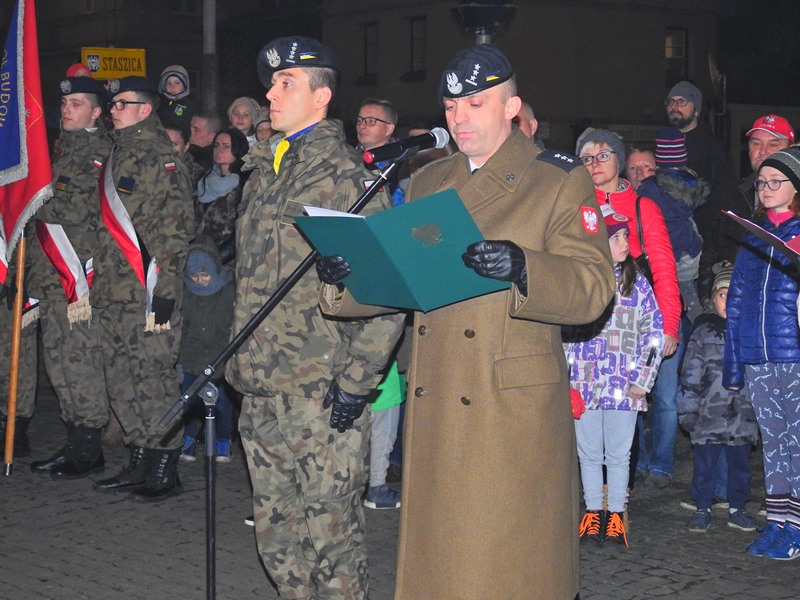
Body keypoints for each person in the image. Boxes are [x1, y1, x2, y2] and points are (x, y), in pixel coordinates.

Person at [320, 43, 616, 599]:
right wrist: (349, 274)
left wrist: (525, 267)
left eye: (476, 103)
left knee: (508, 565)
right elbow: (405, 278)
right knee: (444, 563)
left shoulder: (555, 179)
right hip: (440, 394)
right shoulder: (430, 180)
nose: (459, 117)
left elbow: (593, 286)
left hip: (507, 404)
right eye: (452, 106)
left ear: (512, 107)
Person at [227, 36, 404, 599]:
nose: (271, 94)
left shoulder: (348, 178)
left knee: (331, 537)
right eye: (272, 83)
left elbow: (384, 294)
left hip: (318, 388)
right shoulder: (265, 170)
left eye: (287, 84)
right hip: (261, 381)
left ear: (322, 96)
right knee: (277, 532)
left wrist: (356, 382)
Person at [91, 76, 194, 502]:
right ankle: (138, 458)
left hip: (147, 290)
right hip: (114, 289)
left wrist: (165, 290)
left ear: (145, 110)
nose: (113, 109)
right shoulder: (117, 152)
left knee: (153, 378)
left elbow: (175, 231)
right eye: (112, 103)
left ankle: (164, 465)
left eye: (122, 103)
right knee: (122, 377)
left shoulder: (159, 157)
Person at [576, 128, 682, 489]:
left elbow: (664, 268)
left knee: (647, 399)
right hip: (592, 327)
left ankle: (634, 483)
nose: (595, 163)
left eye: (603, 155)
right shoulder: (576, 206)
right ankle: (597, 493)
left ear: (619, 160)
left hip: (637, 319)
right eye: (587, 158)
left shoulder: (642, 206)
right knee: (594, 408)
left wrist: (669, 325)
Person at [26, 76, 113, 478]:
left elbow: (77, 211)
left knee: (80, 362)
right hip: (50, 277)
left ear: (96, 112)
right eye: (64, 103)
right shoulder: (60, 152)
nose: (66, 110)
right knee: (57, 361)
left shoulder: (101, 154)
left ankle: (88, 447)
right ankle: (74, 440)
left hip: (78, 279)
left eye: (76, 104)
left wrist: (30, 201)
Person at [564, 203, 664, 547]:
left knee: (619, 455)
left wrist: (643, 380)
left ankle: (617, 513)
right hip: (584, 384)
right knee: (588, 453)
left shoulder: (637, 285)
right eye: (616, 237)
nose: (625, 243)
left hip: (624, 385)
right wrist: (567, 380)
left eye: (625, 235)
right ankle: (593, 511)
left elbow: (654, 333)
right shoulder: (581, 281)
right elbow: (565, 334)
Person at [723, 147, 800, 560]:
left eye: (775, 182)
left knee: (798, 444)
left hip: (794, 357)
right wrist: (734, 364)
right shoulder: (753, 237)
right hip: (758, 357)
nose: (766, 188)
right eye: (761, 182)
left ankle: (797, 528)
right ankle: (778, 522)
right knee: (773, 444)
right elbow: (736, 303)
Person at [680, 261, 758, 533]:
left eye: (734, 294)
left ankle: (737, 508)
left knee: (740, 467)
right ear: (713, 299)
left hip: (742, 416)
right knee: (704, 466)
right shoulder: (703, 332)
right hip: (708, 415)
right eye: (722, 294)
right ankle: (703, 506)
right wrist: (687, 410)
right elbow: (690, 373)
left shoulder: (751, 334)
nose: (728, 301)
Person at [699, 114, 795, 302]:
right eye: (756, 143)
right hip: (734, 301)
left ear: (790, 150)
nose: (763, 151)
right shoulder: (731, 195)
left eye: (773, 144)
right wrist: (706, 298)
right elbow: (711, 249)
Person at [638, 127, 709, 323]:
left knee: (668, 306)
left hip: (667, 256)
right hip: (690, 252)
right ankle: (702, 327)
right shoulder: (692, 184)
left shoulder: (651, 189)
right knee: (689, 298)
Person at [178, 237, 236, 462]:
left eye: (205, 275)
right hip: (191, 359)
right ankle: (188, 442)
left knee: (221, 404)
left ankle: (223, 443)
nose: (200, 280)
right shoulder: (187, 292)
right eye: (194, 276)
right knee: (188, 403)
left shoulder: (228, 290)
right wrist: (180, 361)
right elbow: (183, 327)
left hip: (218, 359)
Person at [663, 81, 736, 244]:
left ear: (696, 110)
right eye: (670, 101)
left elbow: (724, 196)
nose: (674, 106)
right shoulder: (664, 144)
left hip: (700, 238)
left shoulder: (713, 149)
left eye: (682, 101)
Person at [195, 127, 250, 261]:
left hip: (226, 260)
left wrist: (216, 259)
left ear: (237, 150)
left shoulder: (246, 185)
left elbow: (241, 231)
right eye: (216, 145)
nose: (219, 150)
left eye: (226, 147)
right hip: (197, 253)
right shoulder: (203, 180)